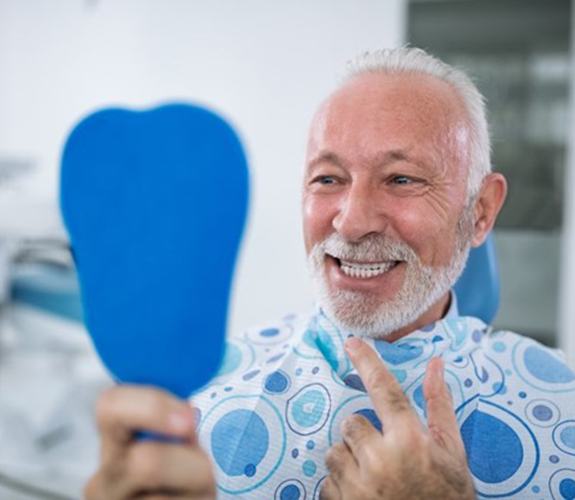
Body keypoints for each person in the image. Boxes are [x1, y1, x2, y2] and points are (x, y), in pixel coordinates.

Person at [85, 48, 575, 500]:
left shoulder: (562, 406)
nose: (352, 221)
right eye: (328, 179)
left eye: (401, 179)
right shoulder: (199, 401)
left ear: (482, 211)